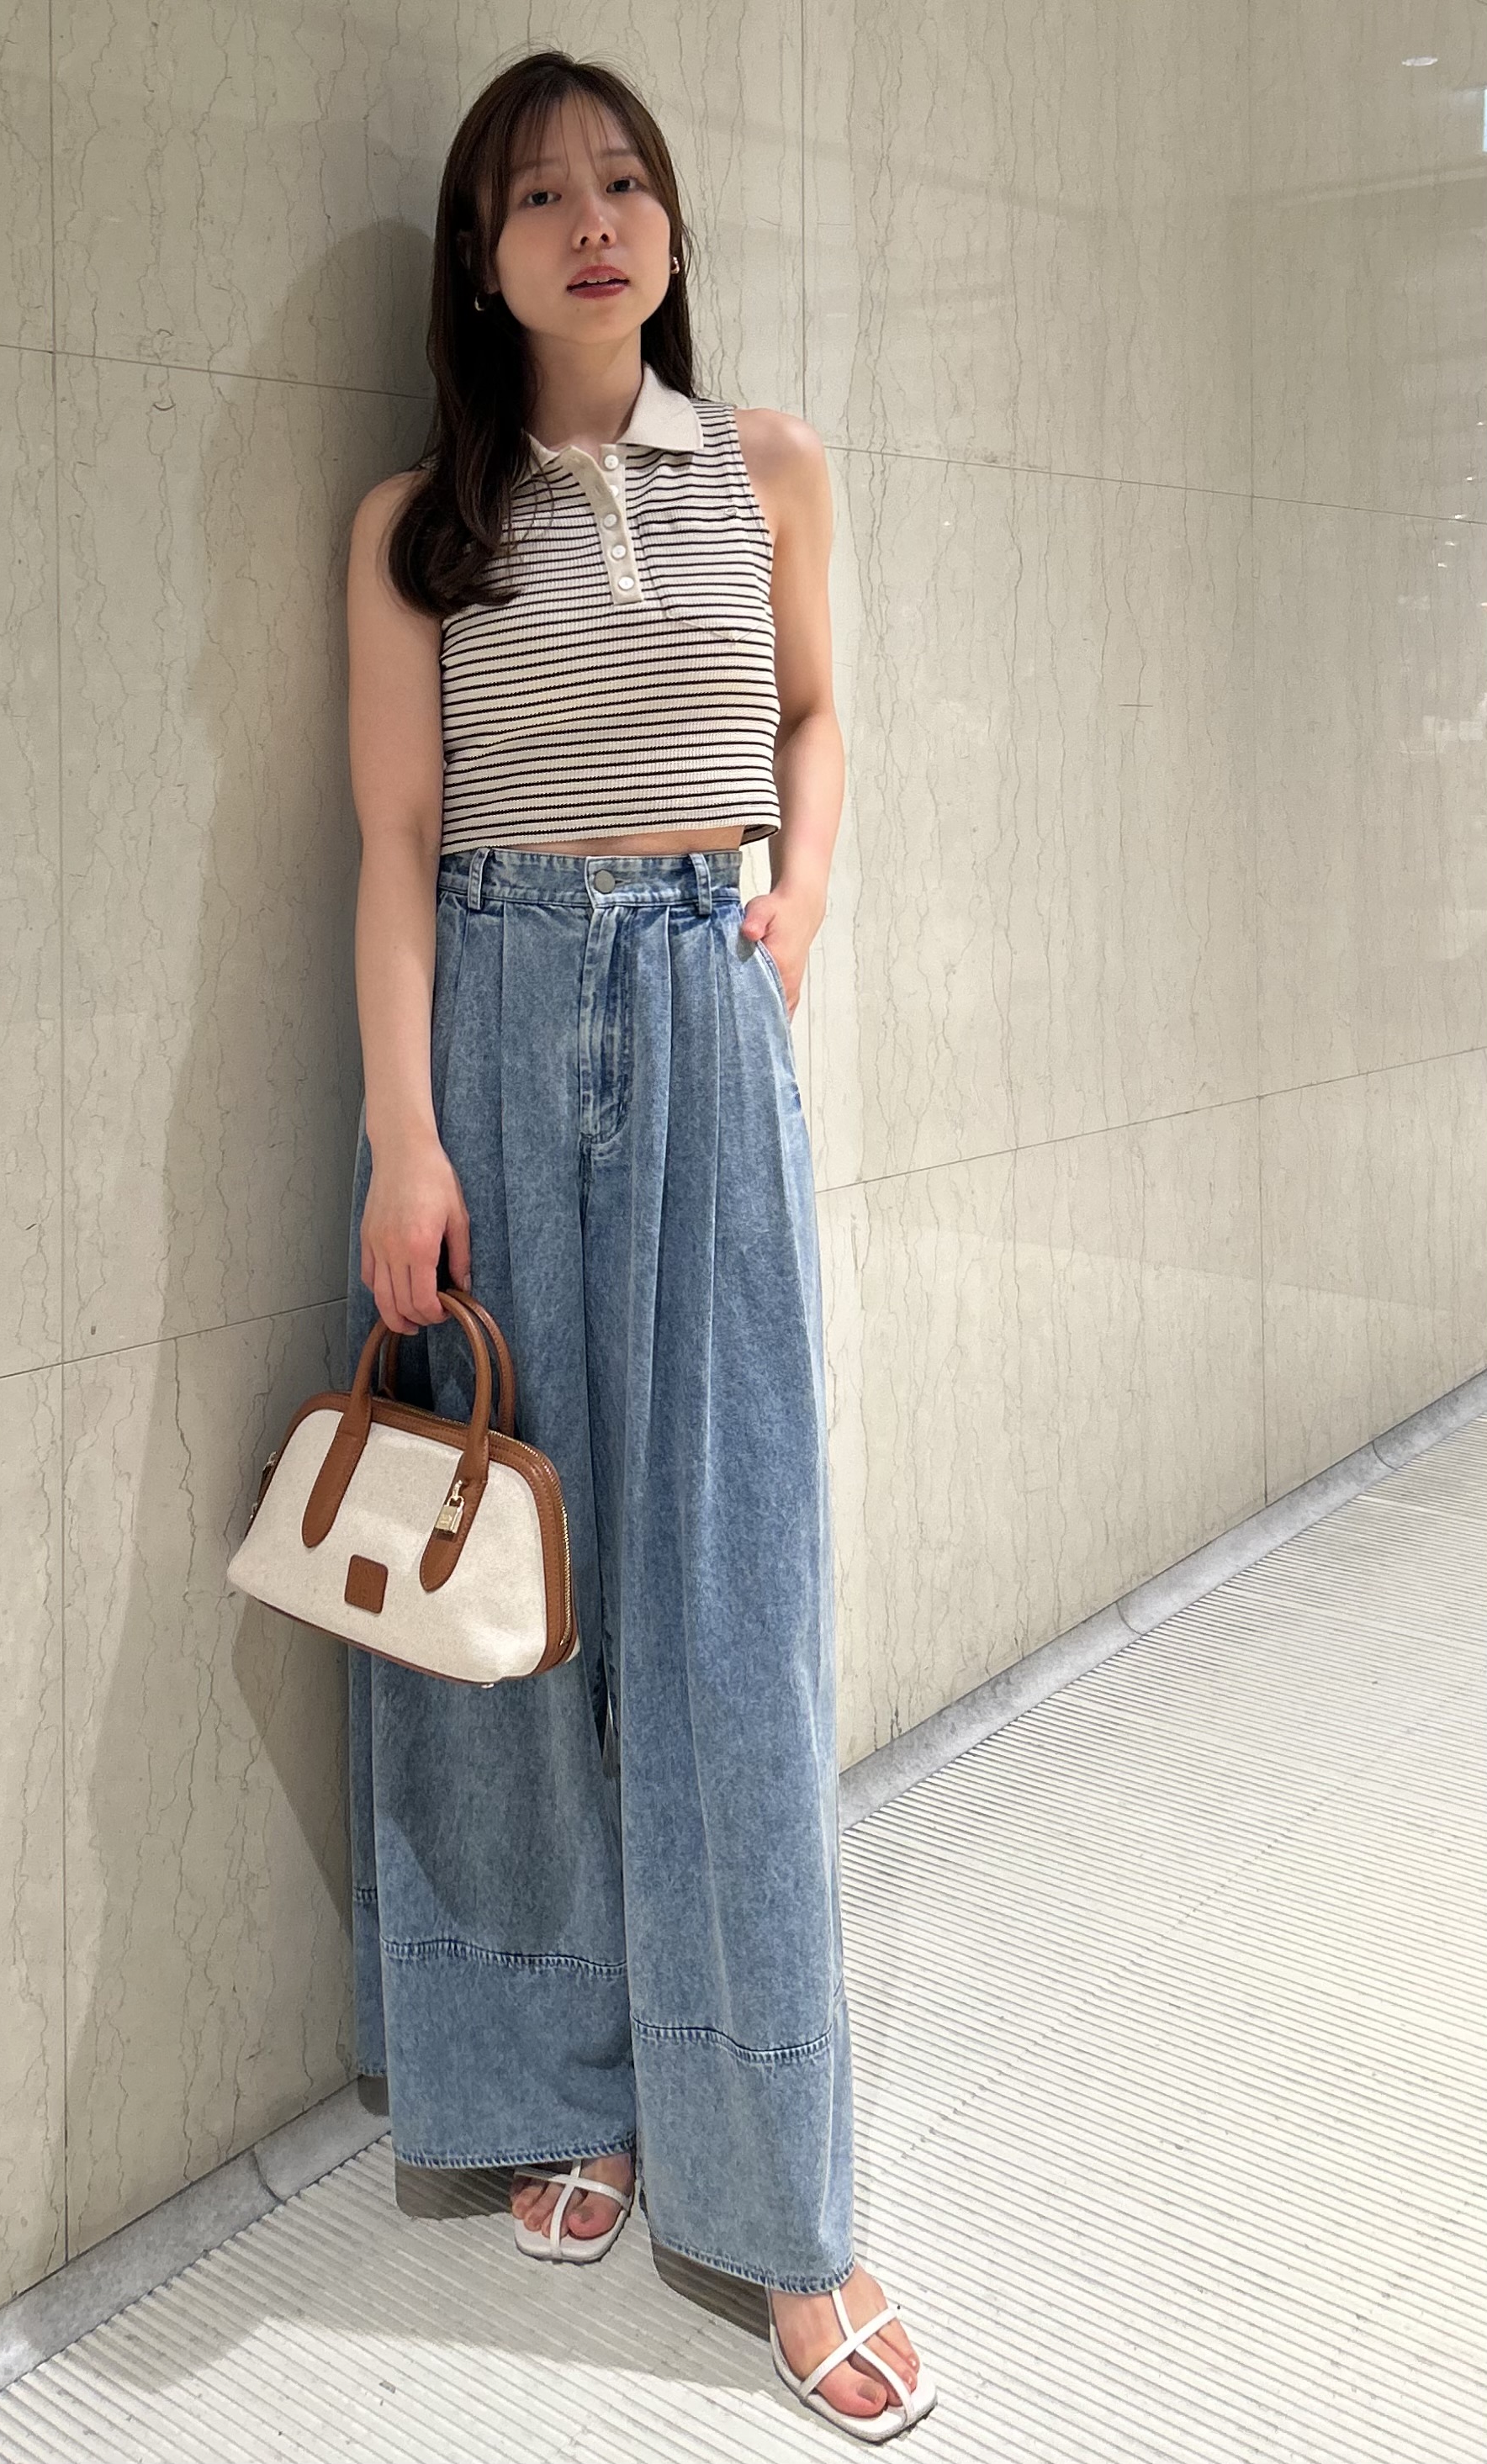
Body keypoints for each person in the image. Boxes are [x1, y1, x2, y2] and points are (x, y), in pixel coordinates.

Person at [340, 48, 937, 2441]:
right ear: (480, 263)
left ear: (670, 227)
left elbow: (819, 719)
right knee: (512, 1597)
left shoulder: (765, 469)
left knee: (728, 1599)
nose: (591, 222)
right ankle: (563, 2084)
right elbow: (393, 845)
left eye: (624, 183)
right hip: (490, 1023)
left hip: (703, 1015)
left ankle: (785, 2205)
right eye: (536, 196)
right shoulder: (419, 526)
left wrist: (802, 904)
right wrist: (403, 1131)